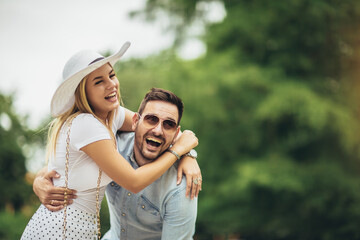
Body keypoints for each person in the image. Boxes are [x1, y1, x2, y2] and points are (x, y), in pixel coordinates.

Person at [21, 42, 199, 239]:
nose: (111, 84)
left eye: (112, 75)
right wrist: (177, 153)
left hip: (83, 232)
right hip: (58, 232)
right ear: (83, 92)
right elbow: (134, 181)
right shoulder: (86, 124)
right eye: (98, 82)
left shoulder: (111, 116)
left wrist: (189, 155)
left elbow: (153, 128)